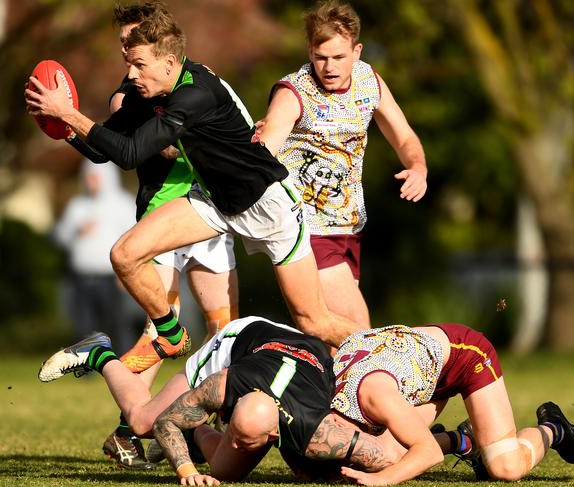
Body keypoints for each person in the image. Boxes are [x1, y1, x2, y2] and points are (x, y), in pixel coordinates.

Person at [25, 5, 366, 359]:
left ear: (169, 63)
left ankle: (396, 354)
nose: (131, 73)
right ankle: (170, 333)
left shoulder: (196, 92)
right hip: (214, 202)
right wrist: (65, 129)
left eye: (139, 64)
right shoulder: (148, 90)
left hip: (268, 205)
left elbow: (129, 154)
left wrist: (67, 112)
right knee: (124, 255)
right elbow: (103, 149)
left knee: (314, 322)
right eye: (128, 62)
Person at [97, 1, 240, 470]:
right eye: (124, 45)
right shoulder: (129, 97)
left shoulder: (191, 80)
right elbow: (139, 149)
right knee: (161, 334)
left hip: (207, 209)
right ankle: (130, 429)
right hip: (163, 215)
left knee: (225, 330)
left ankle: (200, 431)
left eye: (135, 41)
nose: (128, 53)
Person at [38, 316, 394, 485]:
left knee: (238, 469)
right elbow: (164, 422)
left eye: (241, 437)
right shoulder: (226, 382)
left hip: (302, 355)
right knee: (144, 422)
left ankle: (196, 435)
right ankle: (98, 352)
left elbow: (390, 456)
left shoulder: (316, 428)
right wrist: (188, 472)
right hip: (243, 341)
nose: (235, 440)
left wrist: (443, 440)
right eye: (235, 431)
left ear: (273, 434)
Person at [258, 0, 428, 326]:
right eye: (321, 58)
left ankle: (291, 376)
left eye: (338, 57)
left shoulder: (369, 82)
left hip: (349, 225)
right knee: (357, 329)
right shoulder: (294, 92)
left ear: (357, 51)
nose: (329, 67)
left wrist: (418, 168)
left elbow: (404, 137)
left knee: (332, 342)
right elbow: (262, 156)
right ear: (309, 52)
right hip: (307, 228)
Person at [327, 324, 574, 484]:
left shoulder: (375, 397)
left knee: (506, 467)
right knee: (385, 457)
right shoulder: (329, 402)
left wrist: (382, 480)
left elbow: (427, 452)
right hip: (419, 372)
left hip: (466, 355)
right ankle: (463, 440)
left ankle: (554, 427)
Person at [52, 159, 137, 353]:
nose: (91, 181)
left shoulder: (123, 204)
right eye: (88, 177)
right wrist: (76, 232)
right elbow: (60, 237)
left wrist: (126, 274)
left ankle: (126, 365)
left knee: (116, 323)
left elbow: (133, 241)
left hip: (111, 278)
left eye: (95, 177)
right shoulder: (78, 205)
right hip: (81, 278)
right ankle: (86, 369)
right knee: (84, 326)